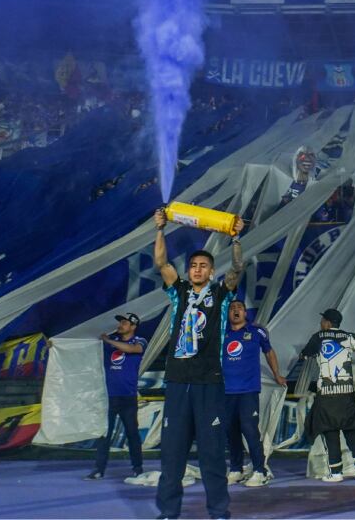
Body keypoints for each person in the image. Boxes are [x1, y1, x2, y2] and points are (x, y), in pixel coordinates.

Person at [152, 209, 244, 520]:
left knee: (212, 455)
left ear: (211, 271)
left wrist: (236, 239)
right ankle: (168, 512)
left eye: (203, 266)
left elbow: (237, 268)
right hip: (178, 382)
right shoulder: (178, 292)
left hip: (208, 383)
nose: (197, 269)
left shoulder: (221, 295)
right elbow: (162, 263)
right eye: (193, 265)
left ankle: (218, 512)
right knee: (172, 455)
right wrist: (160, 230)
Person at [300, 308, 355, 482]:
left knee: (330, 432)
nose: (321, 323)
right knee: (352, 430)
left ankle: (336, 473)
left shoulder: (318, 337)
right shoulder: (348, 337)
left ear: (328, 323)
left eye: (322, 321)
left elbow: (305, 355)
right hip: (346, 393)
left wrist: (302, 355)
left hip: (327, 394)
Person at [222, 299, 287, 488]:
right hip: (226, 391)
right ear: (228, 313)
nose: (235, 311)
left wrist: (277, 374)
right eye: (232, 308)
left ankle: (260, 470)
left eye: (239, 308)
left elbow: (269, 352)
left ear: (245, 313)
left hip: (248, 390)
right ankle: (236, 469)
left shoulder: (256, 331)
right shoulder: (222, 333)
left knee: (250, 430)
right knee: (231, 431)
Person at [86, 312, 147, 481]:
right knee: (104, 434)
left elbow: (132, 349)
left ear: (133, 326)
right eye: (120, 322)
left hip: (128, 396)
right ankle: (99, 470)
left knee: (132, 433)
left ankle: (138, 468)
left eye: (124, 323)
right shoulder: (111, 340)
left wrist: (108, 340)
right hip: (108, 396)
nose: (120, 325)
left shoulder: (139, 341)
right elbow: (87, 343)